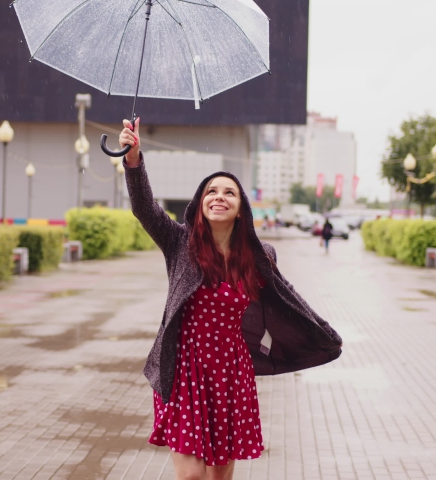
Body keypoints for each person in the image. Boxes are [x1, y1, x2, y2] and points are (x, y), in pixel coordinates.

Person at [117, 118, 343, 480]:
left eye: (228, 193)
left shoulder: (258, 256)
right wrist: (133, 159)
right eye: (211, 191)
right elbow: (145, 208)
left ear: (241, 209)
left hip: (230, 372)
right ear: (200, 202)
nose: (218, 197)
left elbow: (289, 299)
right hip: (184, 369)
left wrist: (324, 333)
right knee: (193, 475)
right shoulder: (179, 243)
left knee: (220, 477)